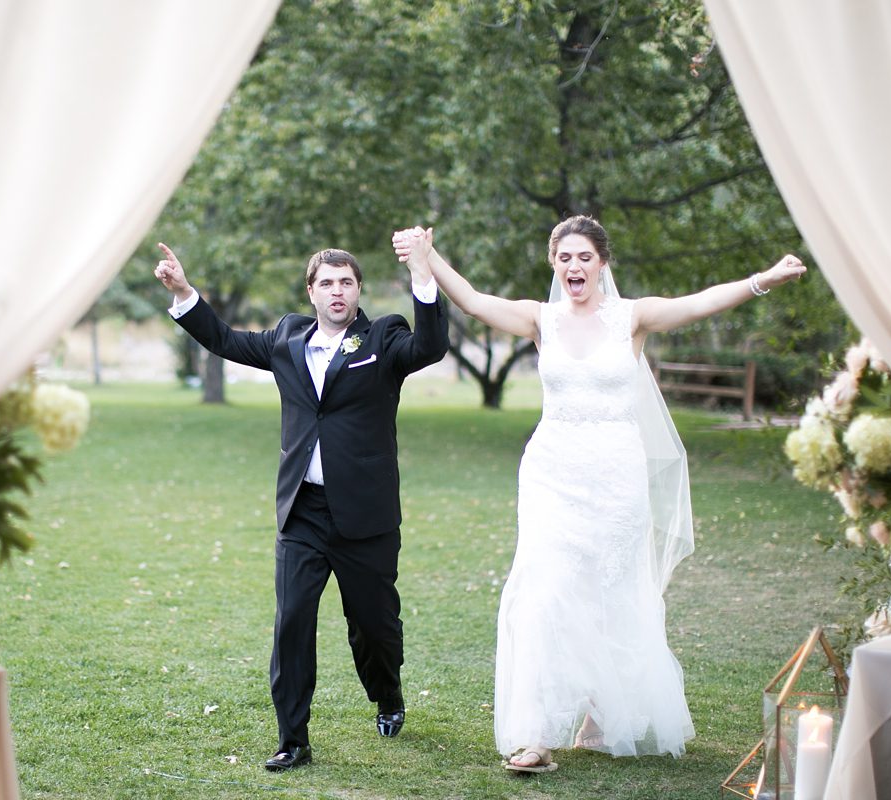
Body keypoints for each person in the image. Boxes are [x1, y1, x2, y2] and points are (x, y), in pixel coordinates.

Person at [392, 217, 805, 773]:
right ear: (554, 266)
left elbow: (700, 302)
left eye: (584, 257)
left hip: (616, 477)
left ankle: (601, 713)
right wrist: (428, 255)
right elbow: (472, 300)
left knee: (610, 595)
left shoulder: (631, 317)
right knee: (541, 593)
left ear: (602, 263)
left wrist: (764, 280)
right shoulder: (541, 319)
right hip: (550, 475)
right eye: (564, 259)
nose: (573, 267)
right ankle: (534, 735)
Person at [153, 241, 449, 772]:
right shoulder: (287, 338)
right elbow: (224, 339)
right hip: (303, 513)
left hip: (365, 516)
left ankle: (388, 695)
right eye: (327, 283)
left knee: (374, 626)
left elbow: (430, 347)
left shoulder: (385, 336)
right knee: (291, 621)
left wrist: (423, 274)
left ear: (358, 291)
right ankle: (293, 738)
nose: (337, 292)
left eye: (347, 283)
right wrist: (184, 293)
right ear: (311, 291)